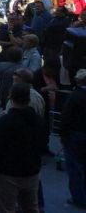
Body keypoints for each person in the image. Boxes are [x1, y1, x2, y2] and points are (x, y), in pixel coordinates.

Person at [0, 83, 47, 213]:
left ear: (11, 97)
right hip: (31, 171)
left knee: (6, 208)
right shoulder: (38, 121)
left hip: (6, 172)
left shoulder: (5, 121)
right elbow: (42, 144)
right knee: (31, 207)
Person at [62, 68, 86, 209]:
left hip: (76, 135)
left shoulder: (75, 96)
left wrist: (63, 136)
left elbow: (66, 117)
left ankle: (79, 198)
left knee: (75, 167)